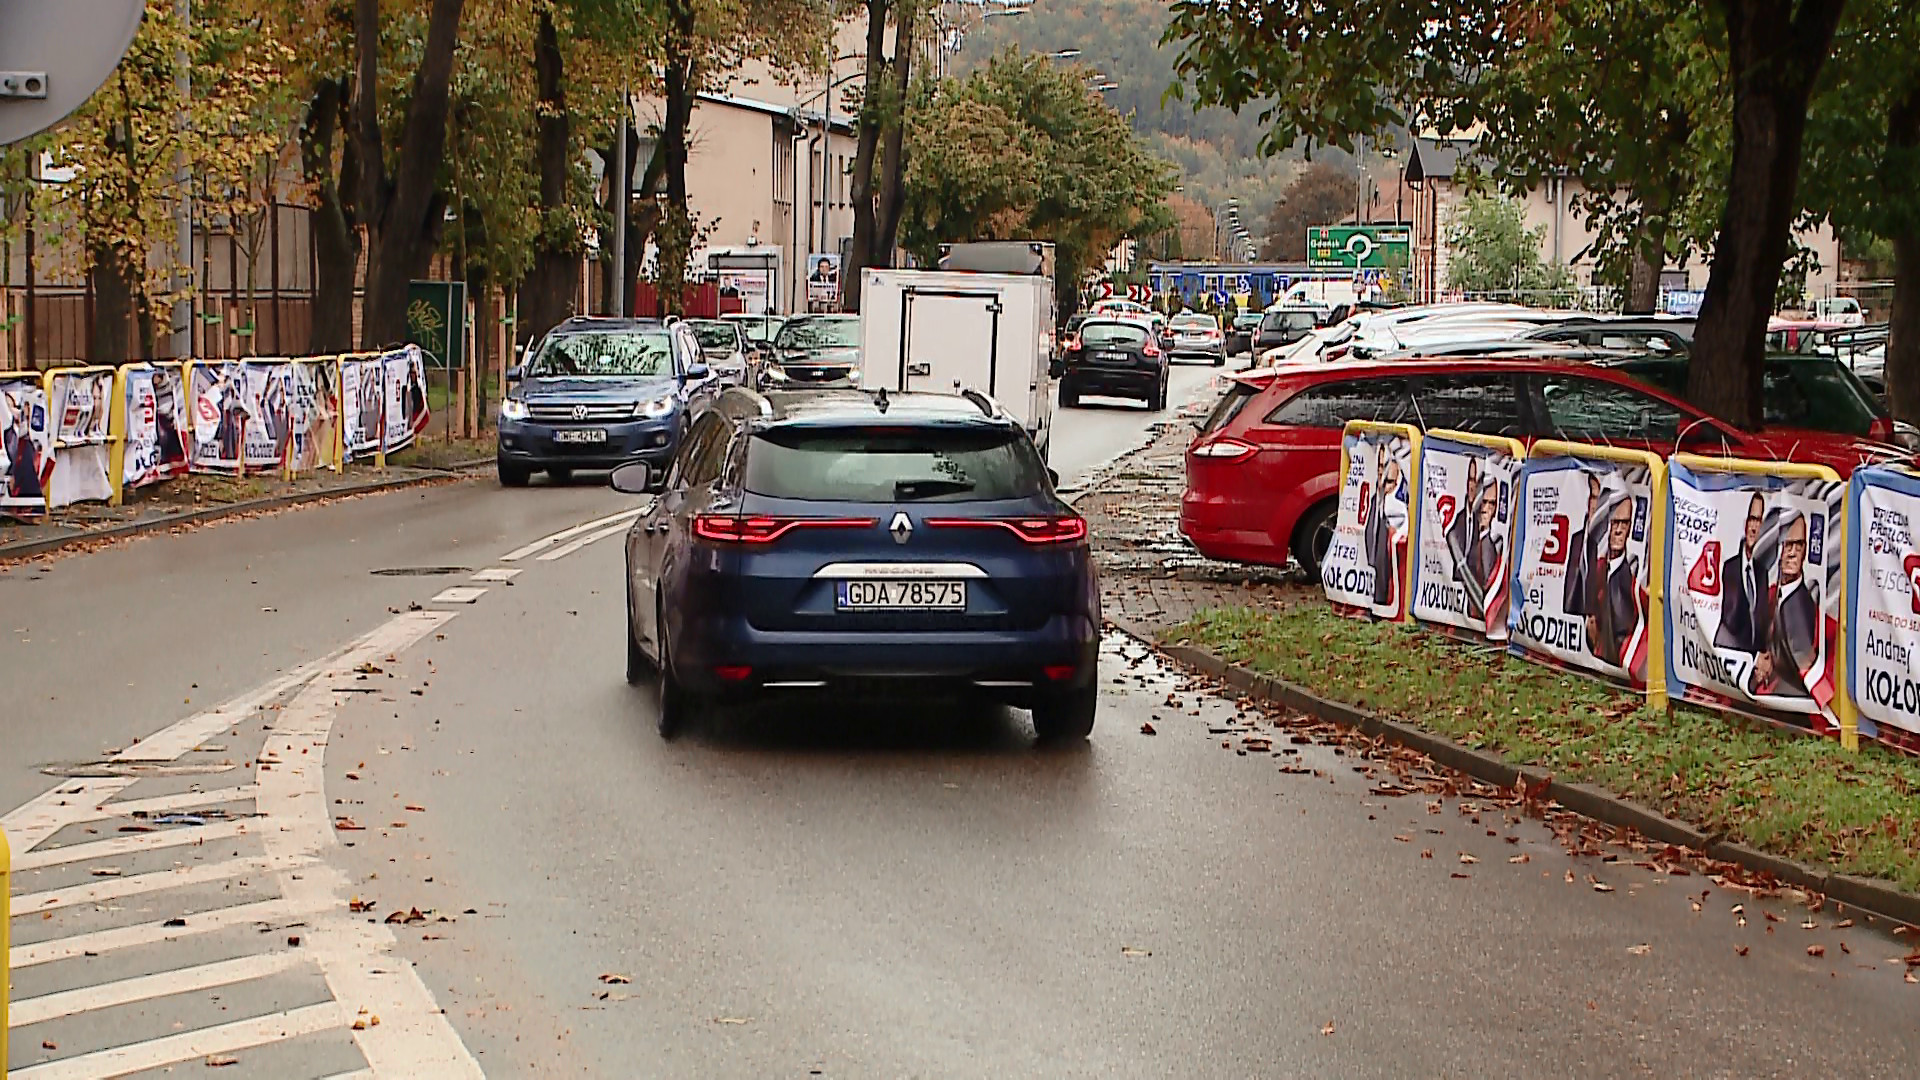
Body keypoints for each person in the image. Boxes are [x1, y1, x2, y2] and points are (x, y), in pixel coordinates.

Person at [1751, 510, 1818, 699]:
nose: (1792, 553)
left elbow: (1803, 666)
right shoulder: (1771, 594)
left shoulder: (1804, 607)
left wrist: (1770, 665)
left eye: (1799, 545)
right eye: (1788, 545)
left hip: (1787, 696)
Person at [1585, 491, 1639, 666]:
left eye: (1624, 523)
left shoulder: (1632, 578)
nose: (1618, 530)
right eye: (1614, 522)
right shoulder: (1597, 567)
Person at [1715, 493, 1769, 653]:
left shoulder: (1763, 573)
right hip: (1732, 653)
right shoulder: (1730, 568)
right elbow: (1731, 619)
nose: (1753, 527)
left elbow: (1762, 625)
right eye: (1752, 519)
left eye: (1758, 521)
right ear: (1745, 523)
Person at [1366, 452, 1405, 608]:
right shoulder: (1374, 500)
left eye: (1389, 481)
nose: (1382, 478)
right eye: (1380, 467)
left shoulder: (1397, 506)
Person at [1563, 473, 1603, 617]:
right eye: (1593, 497)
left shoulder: (1604, 543)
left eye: (1599, 498)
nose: (1595, 504)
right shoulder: (1577, 539)